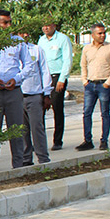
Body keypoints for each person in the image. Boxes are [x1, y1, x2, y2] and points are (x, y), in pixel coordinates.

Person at [0, 10, 32, 173]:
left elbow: (29, 65)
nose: (8, 25)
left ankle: (18, 166)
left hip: (13, 91)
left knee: (15, 130)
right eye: (5, 22)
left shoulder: (19, 42)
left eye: (10, 22)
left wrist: (16, 79)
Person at [77, 23, 110, 151]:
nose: (102, 35)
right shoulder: (87, 49)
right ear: (93, 35)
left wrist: (109, 82)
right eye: (99, 33)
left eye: (103, 33)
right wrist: (84, 80)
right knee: (86, 113)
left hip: (104, 85)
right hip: (90, 85)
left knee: (105, 113)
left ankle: (104, 140)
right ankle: (87, 140)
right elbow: (83, 65)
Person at [18, 32, 53, 166]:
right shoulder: (11, 51)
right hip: (18, 95)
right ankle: (26, 159)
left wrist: (46, 94)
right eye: (21, 32)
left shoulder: (37, 50)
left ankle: (43, 158)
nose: (24, 35)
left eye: (27, 32)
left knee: (37, 128)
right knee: (22, 130)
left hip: (34, 95)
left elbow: (44, 71)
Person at [38, 21, 73, 150]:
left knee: (57, 108)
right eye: (44, 25)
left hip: (57, 77)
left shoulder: (63, 39)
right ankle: (39, 142)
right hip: (43, 78)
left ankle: (57, 140)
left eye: (48, 25)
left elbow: (67, 60)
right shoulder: (41, 41)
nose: (46, 28)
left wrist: (62, 79)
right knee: (40, 109)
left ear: (54, 26)